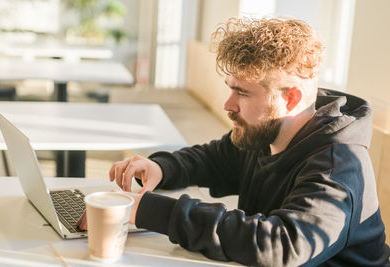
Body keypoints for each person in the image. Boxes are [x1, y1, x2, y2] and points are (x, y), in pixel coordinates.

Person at [78, 17, 390, 266]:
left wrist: (146, 209)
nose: (229, 104)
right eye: (231, 88)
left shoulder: (338, 166)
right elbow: (215, 159)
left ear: (291, 98)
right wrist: (161, 167)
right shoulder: (265, 134)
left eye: (242, 93)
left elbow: (282, 246)